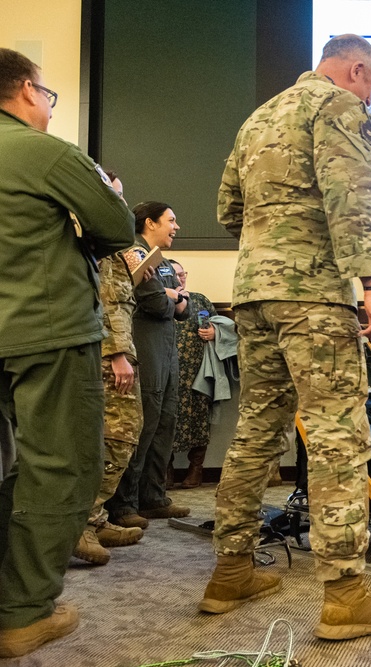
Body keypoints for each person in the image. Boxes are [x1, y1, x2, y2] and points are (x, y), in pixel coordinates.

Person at [201, 34, 371, 640]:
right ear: (356, 69)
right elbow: (352, 199)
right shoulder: (340, 107)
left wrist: (271, 245)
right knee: (338, 437)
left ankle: (230, 572)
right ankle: (346, 597)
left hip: (252, 293)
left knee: (256, 430)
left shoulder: (260, 116)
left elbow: (228, 208)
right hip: (313, 297)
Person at [0, 48, 134, 658]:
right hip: (45, 333)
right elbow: (117, 229)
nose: (48, 106)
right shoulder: (44, 152)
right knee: (60, 468)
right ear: (28, 90)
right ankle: (22, 613)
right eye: (48, 95)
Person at [72, 172, 147, 566]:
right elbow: (101, 300)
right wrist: (117, 353)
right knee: (114, 436)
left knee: (121, 434)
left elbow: (120, 299)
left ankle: (95, 517)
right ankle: (80, 523)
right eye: (112, 195)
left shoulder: (113, 245)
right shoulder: (92, 240)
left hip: (116, 349)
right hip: (105, 354)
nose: (118, 202)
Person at [106, 202, 191, 528]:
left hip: (167, 350)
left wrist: (174, 297)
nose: (176, 226)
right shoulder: (135, 254)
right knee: (142, 425)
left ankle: (153, 497)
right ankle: (124, 504)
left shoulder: (163, 262)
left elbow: (183, 307)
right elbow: (156, 302)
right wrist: (173, 298)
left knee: (164, 424)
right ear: (150, 223)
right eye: (171, 220)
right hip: (146, 349)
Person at [167, 260, 218, 489]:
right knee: (166, 422)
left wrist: (215, 332)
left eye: (183, 273)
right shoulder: (160, 299)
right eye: (175, 275)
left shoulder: (200, 300)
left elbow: (219, 323)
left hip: (198, 372)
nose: (181, 278)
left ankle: (195, 470)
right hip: (169, 371)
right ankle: (164, 472)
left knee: (200, 421)